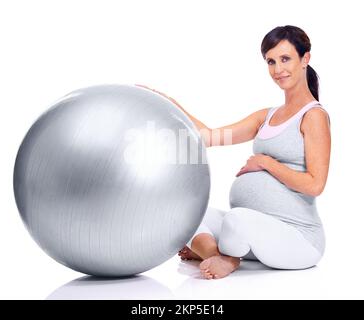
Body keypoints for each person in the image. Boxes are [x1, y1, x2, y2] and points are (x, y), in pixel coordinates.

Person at [138, 25, 331, 280]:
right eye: (271, 61)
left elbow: (315, 184)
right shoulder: (266, 116)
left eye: (285, 59)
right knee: (189, 213)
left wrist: (266, 163)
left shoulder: (313, 116)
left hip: (297, 239)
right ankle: (217, 254)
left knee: (237, 219)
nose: (277, 69)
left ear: (305, 58)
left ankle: (228, 257)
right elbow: (210, 137)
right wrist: (167, 103)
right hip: (254, 233)